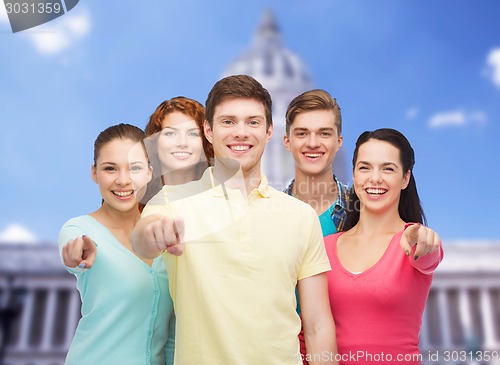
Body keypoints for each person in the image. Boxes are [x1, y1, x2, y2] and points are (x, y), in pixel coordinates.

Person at [132, 75, 338, 365]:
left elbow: (317, 324)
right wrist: (155, 233)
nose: (241, 133)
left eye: (252, 122)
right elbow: (142, 239)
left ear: (268, 132)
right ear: (209, 131)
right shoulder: (171, 201)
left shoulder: (301, 217)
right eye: (228, 122)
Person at [324, 128, 444, 365]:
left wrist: (425, 241)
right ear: (354, 174)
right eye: (365, 167)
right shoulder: (325, 247)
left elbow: (429, 255)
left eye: (388, 168)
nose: (374, 178)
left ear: (405, 178)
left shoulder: (413, 240)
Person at [58, 123, 175, 365]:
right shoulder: (80, 230)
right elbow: (74, 252)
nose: (123, 180)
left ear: (149, 172)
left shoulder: (165, 234)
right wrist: (76, 257)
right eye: (110, 169)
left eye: (134, 168)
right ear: (94, 173)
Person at [283, 89, 348, 236]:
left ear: (338, 142)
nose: (313, 143)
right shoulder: (268, 214)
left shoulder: (363, 210)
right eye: (302, 134)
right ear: (287, 142)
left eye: (324, 133)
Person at [142, 96, 214, 203]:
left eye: (193, 134)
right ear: (155, 142)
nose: (182, 143)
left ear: (205, 142)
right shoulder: (136, 202)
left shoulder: (223, 197)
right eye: (170, 133)